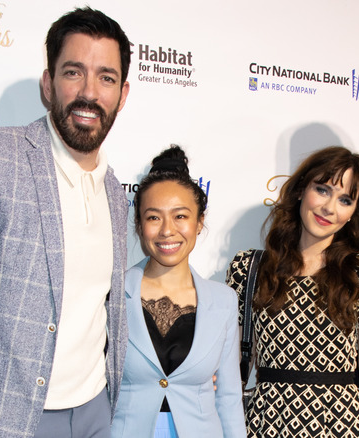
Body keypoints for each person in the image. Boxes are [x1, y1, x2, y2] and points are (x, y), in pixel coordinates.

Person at [0, 7, 131, 437]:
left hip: (94, 414)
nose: (90, 93)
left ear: (123, 94)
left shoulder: (113, 190)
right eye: (74, 72)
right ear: (48, 83)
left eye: (106, 78)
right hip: (9, 421)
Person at [226, 146, 359, 438]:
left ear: (354, 212)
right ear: (302, 189)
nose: (330, 208)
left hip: (341, 424)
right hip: (268, 422)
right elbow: (232, 366)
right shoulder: (250, 269)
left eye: (345, 200)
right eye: (323, 190)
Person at [111, 145, 245, 438]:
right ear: (139, 224)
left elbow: (229, 397)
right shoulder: (113, 294)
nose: (167, 230)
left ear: (199, 223)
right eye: (154, 217)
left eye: (180, 216)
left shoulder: (223, 302)